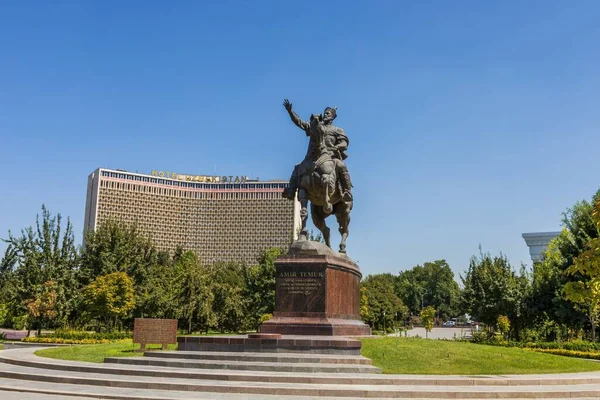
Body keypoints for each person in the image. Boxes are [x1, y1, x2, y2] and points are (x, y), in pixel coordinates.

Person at [282, 99, 353, 202]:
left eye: (328, 113)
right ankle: (291, 190)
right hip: (312, 155)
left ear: (333, 116)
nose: (325, 115)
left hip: (330, 156)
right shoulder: (314, 126)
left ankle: (347, 191)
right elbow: (299, 122)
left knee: (341, 165)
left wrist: (336, 147)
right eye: (325, 113)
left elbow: (344, 143)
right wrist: (290, 111)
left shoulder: (337, 130)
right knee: (297, 169)